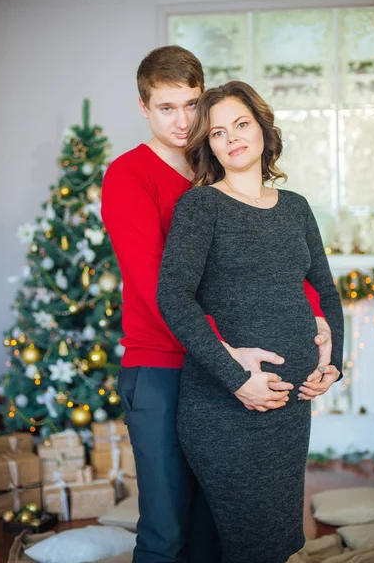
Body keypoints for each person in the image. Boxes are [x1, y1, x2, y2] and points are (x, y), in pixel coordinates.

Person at [102, 47, 333, 563]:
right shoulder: (129, 176)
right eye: (167, 108)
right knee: (167, 526)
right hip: (162, 364)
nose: (183, 121)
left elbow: (275, 257)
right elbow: (155, 286)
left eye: (191, 104)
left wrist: (316, 314)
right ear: (144, 107)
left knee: (215, 529)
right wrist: (229, 357)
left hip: (215, 371)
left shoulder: (215, 166)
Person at [157, 80, 344, 563]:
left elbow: (325, 290)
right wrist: (238, 378)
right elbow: (173, 298)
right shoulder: (201, 207)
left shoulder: (296, 207)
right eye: (217, 132)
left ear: (262, 127)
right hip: (226, 409)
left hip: (289, 408)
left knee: (280, 539)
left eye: (241, 124)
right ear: (209, 145)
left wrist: (333, 363)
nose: (232, 137)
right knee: (253, 544)